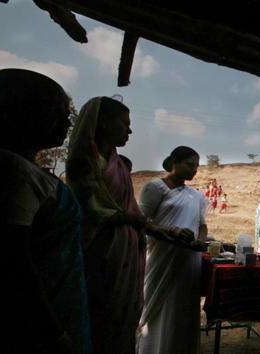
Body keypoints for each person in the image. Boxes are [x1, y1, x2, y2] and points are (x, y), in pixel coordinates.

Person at [66, 97, 186, 354]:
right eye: (124, 124)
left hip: (126, 250)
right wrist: (134, 221)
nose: (129, 131)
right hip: (100, 250)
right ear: (104, 124)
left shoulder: (120, 165)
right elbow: (90, 210)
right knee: (100, 316)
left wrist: (167, 231)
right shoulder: (84, 161)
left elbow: (130, 211)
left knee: (121, 320)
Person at [0, 68, 91, 354]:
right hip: (37, 328)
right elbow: (12, 263)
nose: (68, 120)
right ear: (16, 108)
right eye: (57, 110)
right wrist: (54, 334)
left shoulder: (26, 170)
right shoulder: (9, 170)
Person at [137, 146, 209, 354]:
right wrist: (172, 233)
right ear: (175, 162)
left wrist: (200, 242)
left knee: (183, 309)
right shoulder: (155, 188)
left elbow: (202, 225)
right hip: (161, 259)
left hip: (188, 261)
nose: (194, 170)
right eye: (190, 165)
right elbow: (143, 223)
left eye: (197, 166)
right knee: (156, 308)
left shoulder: (194, 195)